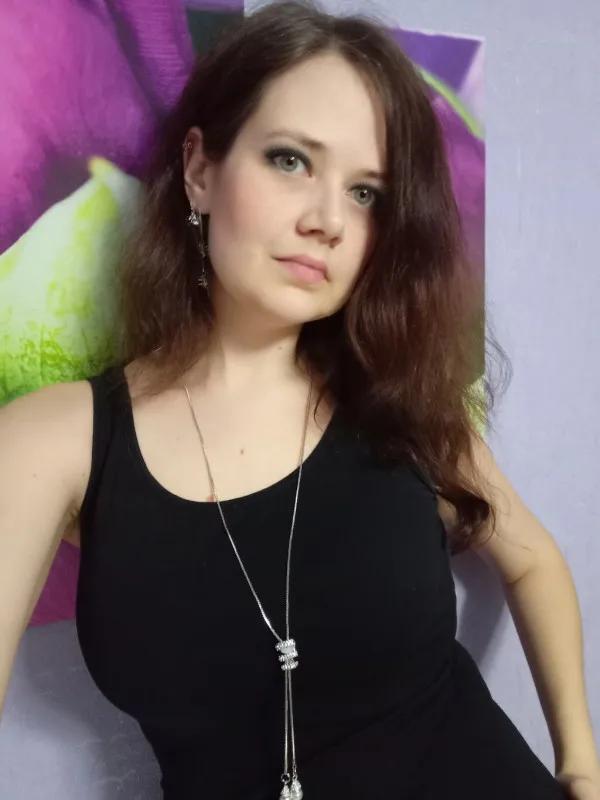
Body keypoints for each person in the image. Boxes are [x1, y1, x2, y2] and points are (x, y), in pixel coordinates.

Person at [0, 2, 598, 798]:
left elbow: (534, 560)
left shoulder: (402, 405)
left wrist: (582, 765)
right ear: (200, 169)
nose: (327, 221)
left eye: (367, 194)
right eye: (290, 160)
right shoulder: (55, 440)